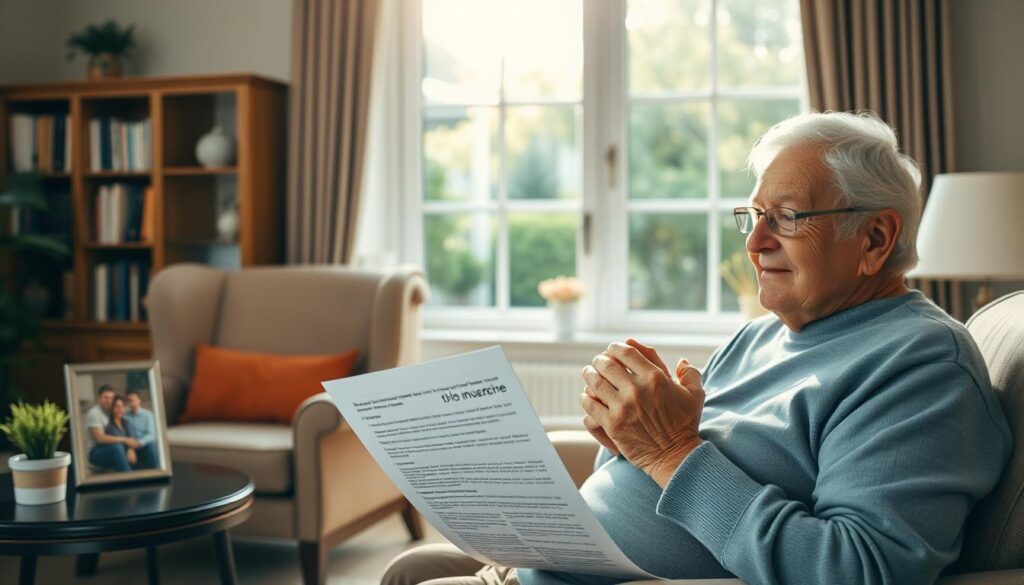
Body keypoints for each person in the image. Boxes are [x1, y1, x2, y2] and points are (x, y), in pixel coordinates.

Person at [381, 112, 1012, 585]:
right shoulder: (764, 332)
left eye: (787, 217)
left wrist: (669, 451)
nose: (755, 241)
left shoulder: (919, 365)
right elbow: (663, 488)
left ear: (875, 237)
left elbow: (858, 570)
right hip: (549, 568)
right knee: (406, 571)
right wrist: (626, 442)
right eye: (753, 215)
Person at [85, 385, 140, 472]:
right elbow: (100, 438)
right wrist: (126, 440)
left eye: (111, 398)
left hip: (111, 447)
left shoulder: (111, 412)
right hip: (95, 452)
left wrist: (130, 448)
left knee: (143, 447)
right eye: (105, 397)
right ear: (99, 398)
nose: (109, 401)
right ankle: (130, 478)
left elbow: (127, 431)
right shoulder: (94, 413)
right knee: (117, 448)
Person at [124, 389, 159, 469]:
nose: (131, 403)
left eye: (133, 400)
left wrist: (139, 443)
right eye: (129, 401)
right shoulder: (124, 416)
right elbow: (123, 434)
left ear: (139, 400)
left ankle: (155, 473)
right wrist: (130, 447)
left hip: (144, 445)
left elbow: (151, 435)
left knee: (150, 446)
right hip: (130, 446)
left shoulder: (148, 415)